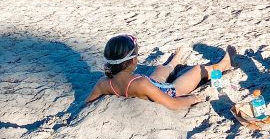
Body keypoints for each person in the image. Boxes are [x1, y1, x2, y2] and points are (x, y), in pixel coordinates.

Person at [85, 34, 234, 111]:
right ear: (132, 61)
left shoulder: (103, 83)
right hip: (169, 91)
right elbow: (173, 103)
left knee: (159, 71)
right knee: (197, 70)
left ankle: (174, 62)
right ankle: (223, 64)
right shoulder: (141, 83)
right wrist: (191, 99)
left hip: (148, 87)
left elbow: (88, 104)